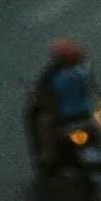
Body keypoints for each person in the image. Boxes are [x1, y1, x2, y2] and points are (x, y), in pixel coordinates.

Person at [25, 39, 95, 169]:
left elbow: (41, 90)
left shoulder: (55, 75)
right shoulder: (84, 69)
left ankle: (48, 154)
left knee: (43, 123)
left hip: (63, 117)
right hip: (85, 114)